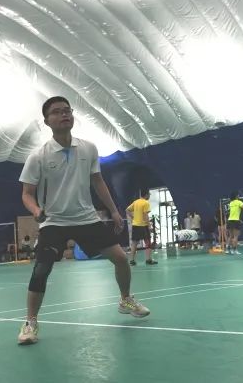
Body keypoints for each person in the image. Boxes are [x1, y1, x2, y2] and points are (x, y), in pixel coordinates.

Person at [17, 96, 150, 345]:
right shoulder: (38, 156)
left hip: (86, 218)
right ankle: (30, 323)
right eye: (57, 112)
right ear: (47, 121)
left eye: (67, 110)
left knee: (121, 258)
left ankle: (125, 299)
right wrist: (35, 210)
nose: (64, 115)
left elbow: (98, 181)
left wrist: (114, 211)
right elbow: (26, 193)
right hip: (54, 221)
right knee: (41, 269)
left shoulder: (88, 148)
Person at [126, 190, 157, 266]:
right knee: (148, 243)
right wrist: (149, 226)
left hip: (135, 225)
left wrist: (133, 217)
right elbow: (145, 215)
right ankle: (148, 260)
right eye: (149, 194)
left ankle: (132, 261)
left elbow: (127, 210)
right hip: (143, 226)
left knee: (134, 244)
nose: (149, 196)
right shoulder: (146, 203)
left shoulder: (136, 202)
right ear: (146, 195)